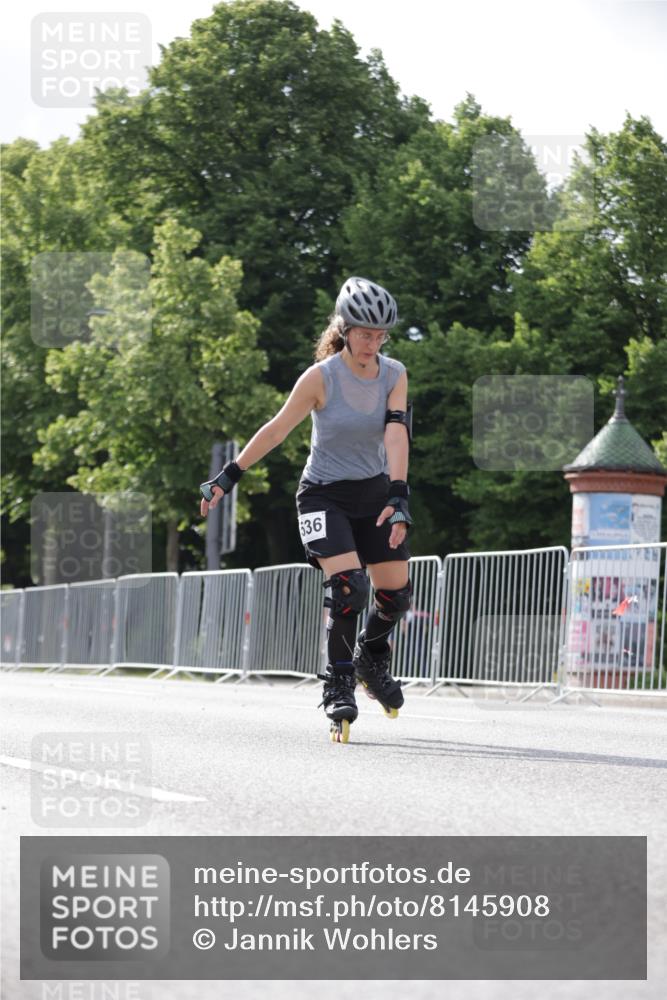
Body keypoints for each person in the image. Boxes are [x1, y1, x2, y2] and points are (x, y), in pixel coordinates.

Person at [200, 276, 413, 743]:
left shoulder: (394, 374)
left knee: (396, 596)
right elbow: (276, 430)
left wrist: (398, 496)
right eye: (364, 334)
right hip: (323, 495)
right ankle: (339, 681)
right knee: (348, 587)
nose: (372, 345)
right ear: (345, 327)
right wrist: (228, 476)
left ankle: (370, 657)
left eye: (380, 337)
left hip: (375, 492)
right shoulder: (321, 378)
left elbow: (396, 433)